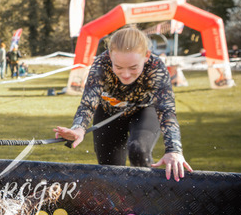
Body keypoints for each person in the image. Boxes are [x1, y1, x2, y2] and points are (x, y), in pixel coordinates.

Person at [53, 26, 193, 181]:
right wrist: (78, 128)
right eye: (118, 67)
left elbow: (166, 111)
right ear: (110, 56)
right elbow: (88, 103)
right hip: (108, 112)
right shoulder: (101, 64)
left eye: (133, 67)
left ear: (146, 56)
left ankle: (144, 194)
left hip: (143, 111)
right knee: (110, 172)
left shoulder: (156, 67)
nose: (125, 75)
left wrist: (174, 150)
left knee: (139, 150)